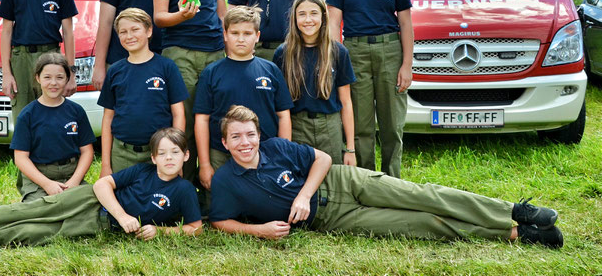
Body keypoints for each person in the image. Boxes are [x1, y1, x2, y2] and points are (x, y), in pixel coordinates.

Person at [208, 106, 563, 248]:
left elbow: (320, 158)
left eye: (249, 134)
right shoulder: (226, 180)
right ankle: (515, 234)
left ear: (258, 134)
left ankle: (514, 210)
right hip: (333, 217)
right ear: (224, 142)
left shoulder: (274, 147)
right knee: (424, 224)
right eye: (236, 137)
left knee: (426, 195)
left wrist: (303, 195)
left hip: (342, 181)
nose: (245, 142)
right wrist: (261, 230)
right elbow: (220, 221)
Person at [0, 128, 202, 251]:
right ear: (153, 158)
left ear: (186, 156)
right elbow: (103, 183)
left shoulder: (184, 191)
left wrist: (161, 231)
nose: (168, 158)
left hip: (97, 224)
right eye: (162, 153)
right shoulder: (143, 170)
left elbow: (195, 228)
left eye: (175, 153)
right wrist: (123, 214)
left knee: (28, 233)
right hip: (88, 199)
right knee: (24, 211)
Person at [326, 0, 414, 178]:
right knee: (361, 124)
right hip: (354, 52)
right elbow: (333, 23)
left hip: (390, 50)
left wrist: (406, 65)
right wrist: (336, 59)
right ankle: (368, 181)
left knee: (392, 125)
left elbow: (406, 24)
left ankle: (393, 181)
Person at [151, 0, 228, 180]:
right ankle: (182, 184)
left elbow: (222, 14)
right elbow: (159, 18)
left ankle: (211, 182)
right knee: (182, 120)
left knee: (213, 118)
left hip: (216, 52)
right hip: (179, 52)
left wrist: (231, 45)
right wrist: (180, 16)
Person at [194, 6, 293, 190]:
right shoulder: (211, 73)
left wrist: (283, 154)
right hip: (221, 154)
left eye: (247, 33)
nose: (241, 39)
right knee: (220, 209)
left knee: (264, 206)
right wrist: (205, 164)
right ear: (225, 34)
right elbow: (202, 119)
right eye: (235, 33)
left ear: (257, 36)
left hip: (265, 152)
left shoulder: (270, 70)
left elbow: (283, 115)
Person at [97, 8, 188, 177]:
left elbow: (178, 114)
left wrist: (177, 155)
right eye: (123, 32)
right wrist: (106, 165)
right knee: (123, 200)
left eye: (135, 29)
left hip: (160, 153)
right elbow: (108, 117)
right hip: (122, 154)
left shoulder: (166, 67)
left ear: (149, 31)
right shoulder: (115, 71)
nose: (129, 36)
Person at [0, 0, 79, 118]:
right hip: (21, 60)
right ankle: (24, 149)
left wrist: (71, 74)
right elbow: (6, 32)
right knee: (23, 115)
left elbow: (68, 33)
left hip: (51, 57)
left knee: (51, 113)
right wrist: (6, 74)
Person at [273, 0, 356, 165]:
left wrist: (350, 148)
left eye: (314, 13)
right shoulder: (283, 53)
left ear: (324, 17)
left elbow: (346, 102)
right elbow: (279, 106)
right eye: (302, 14)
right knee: (300, 180)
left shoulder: (338, 52)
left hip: (329, 125)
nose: (308, 20)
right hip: (297, 126)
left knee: (333, 180)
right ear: (294, 18)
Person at [10, 52, 96, 202]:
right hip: (39, 177)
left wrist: (74, 182)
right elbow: (20, 158)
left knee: (90, 205)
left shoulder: (76, 111)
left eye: (60, 77)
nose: (53, 83)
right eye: (47, 77)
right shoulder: (27, 115)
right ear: (38, 78)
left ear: (67, 79)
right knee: (41, 210)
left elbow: (87, 151)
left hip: (71, 174)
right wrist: (47, 184)